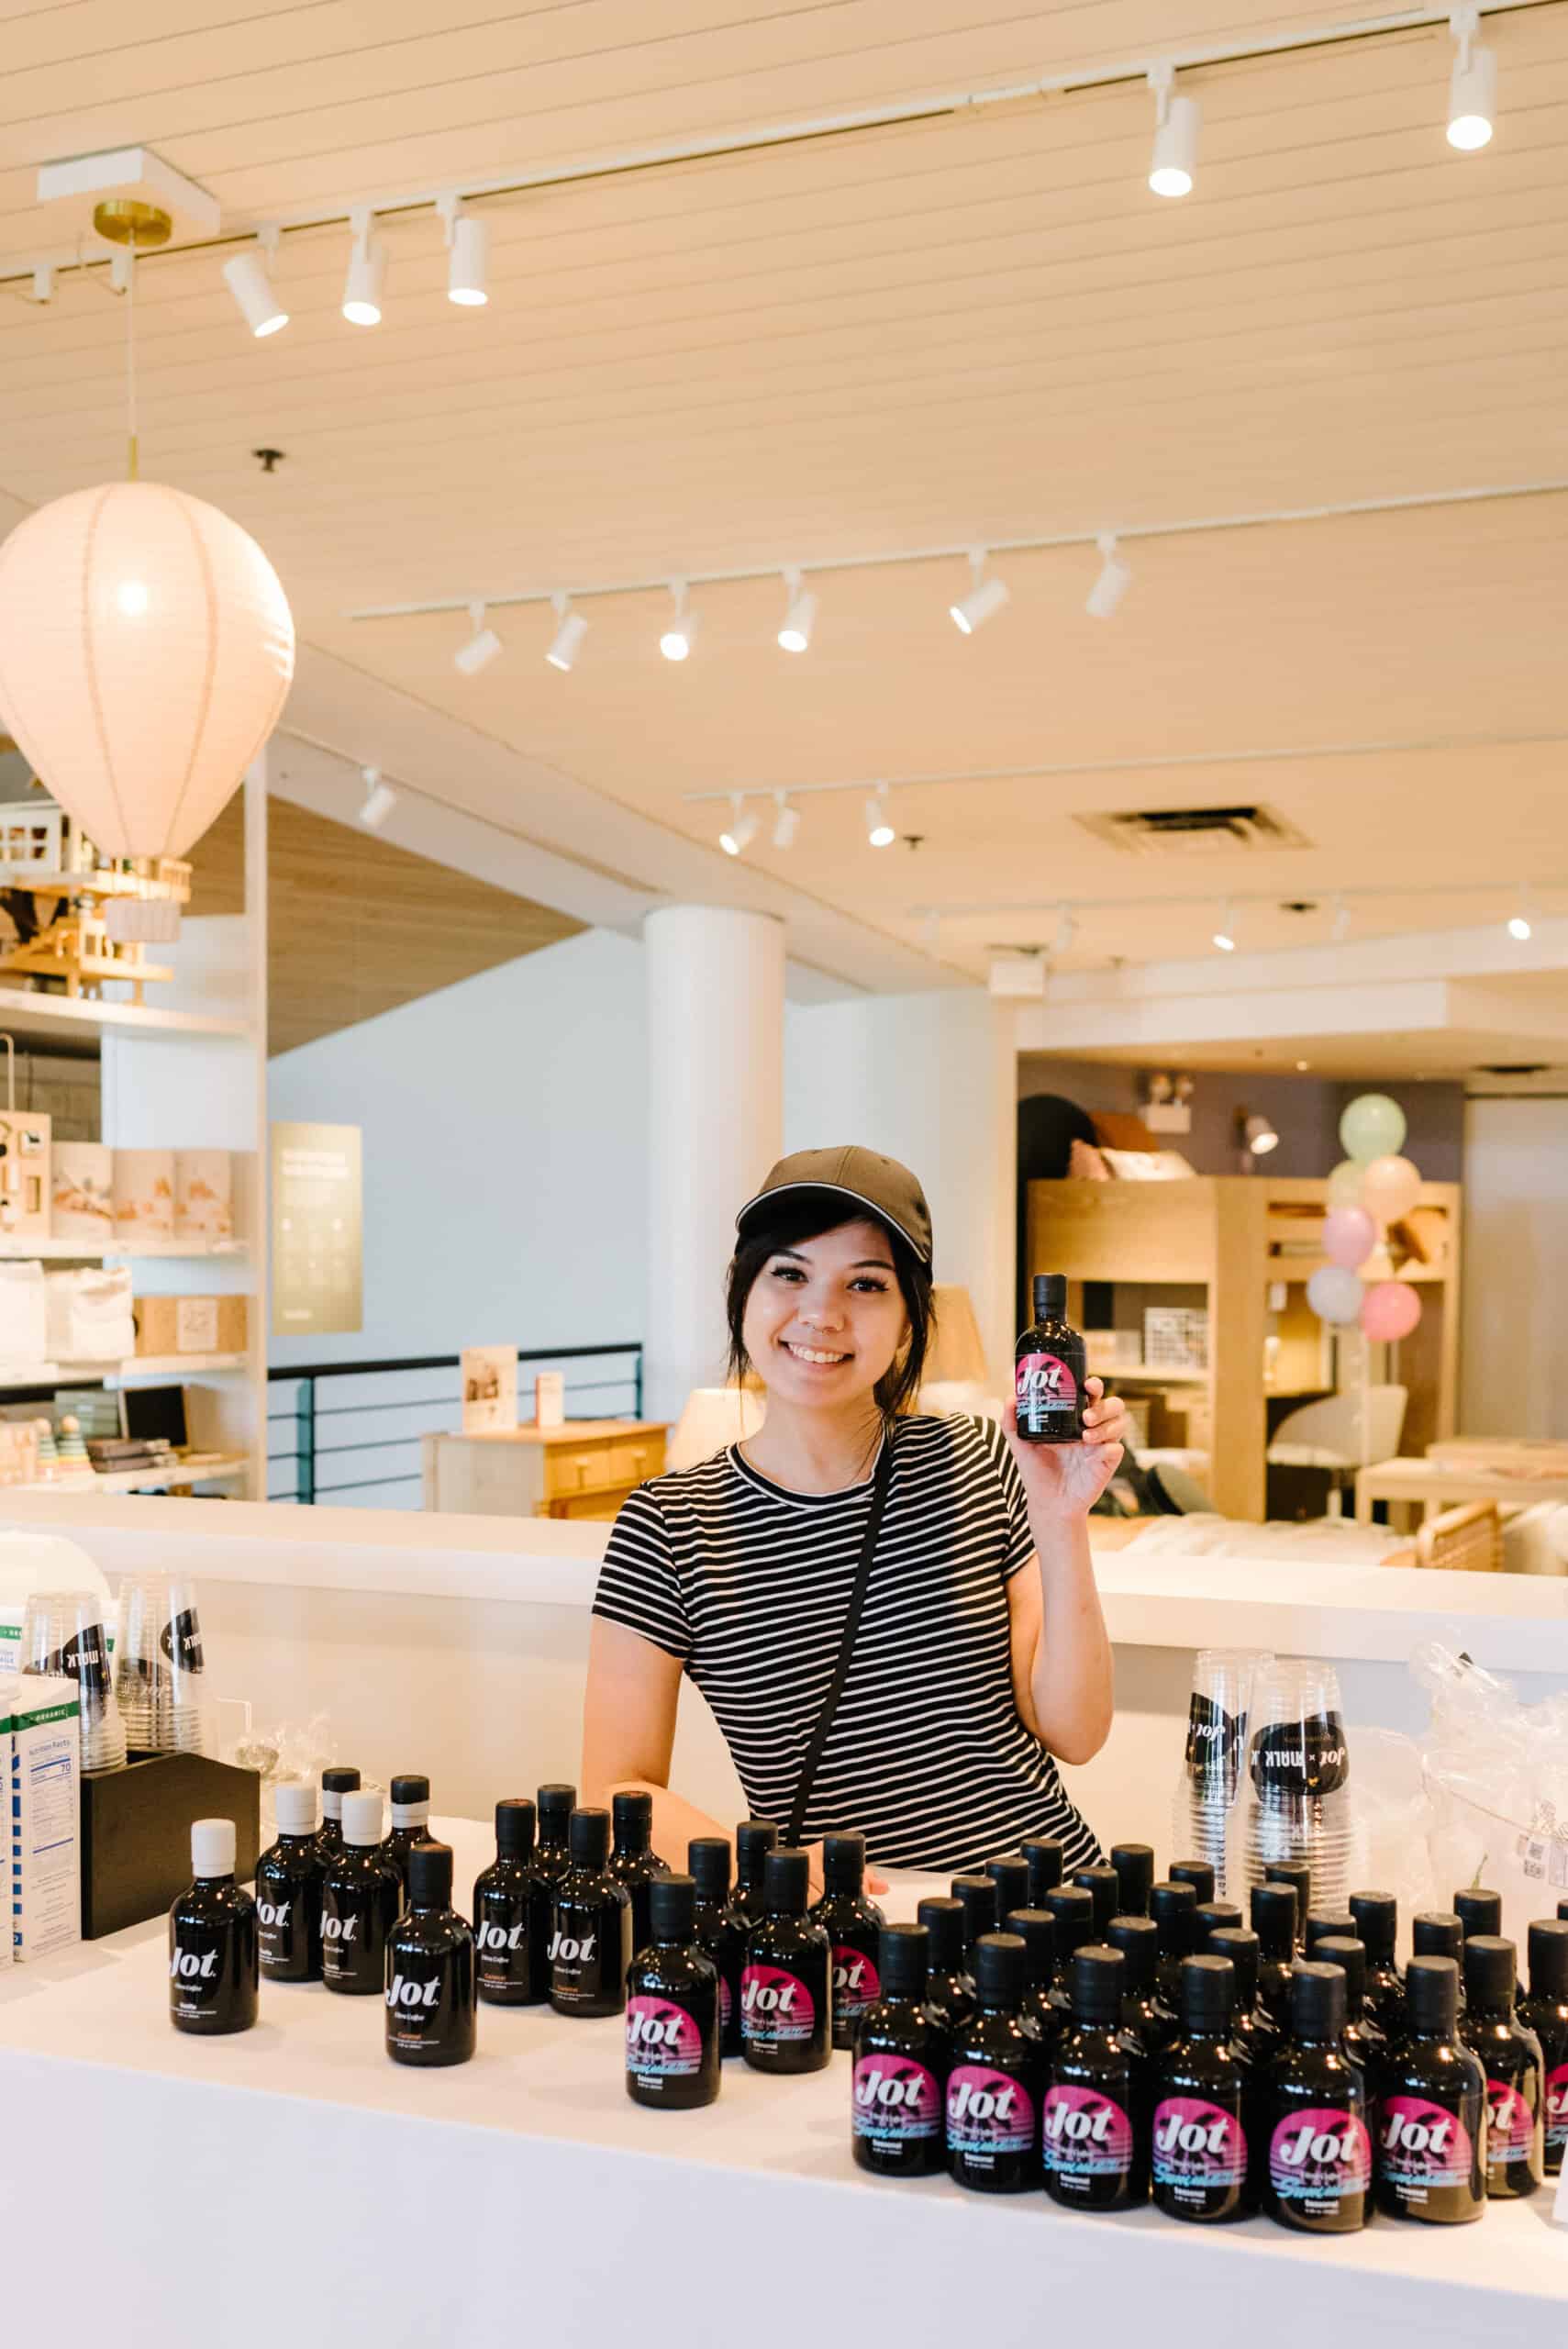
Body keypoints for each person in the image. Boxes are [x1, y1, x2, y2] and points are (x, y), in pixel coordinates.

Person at [584, 1146, 1126, 1881]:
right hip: (849, 1922)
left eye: (865, 1284)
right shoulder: (669, 1525)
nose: (821, 1313)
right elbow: (615, 1789)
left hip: (1043, 1899)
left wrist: (1060, 1519)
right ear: (743, 1295)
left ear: (907, 1322)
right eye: (789, 1273)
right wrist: (763, 1875)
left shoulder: (977, 1458)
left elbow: (1076, 1732)